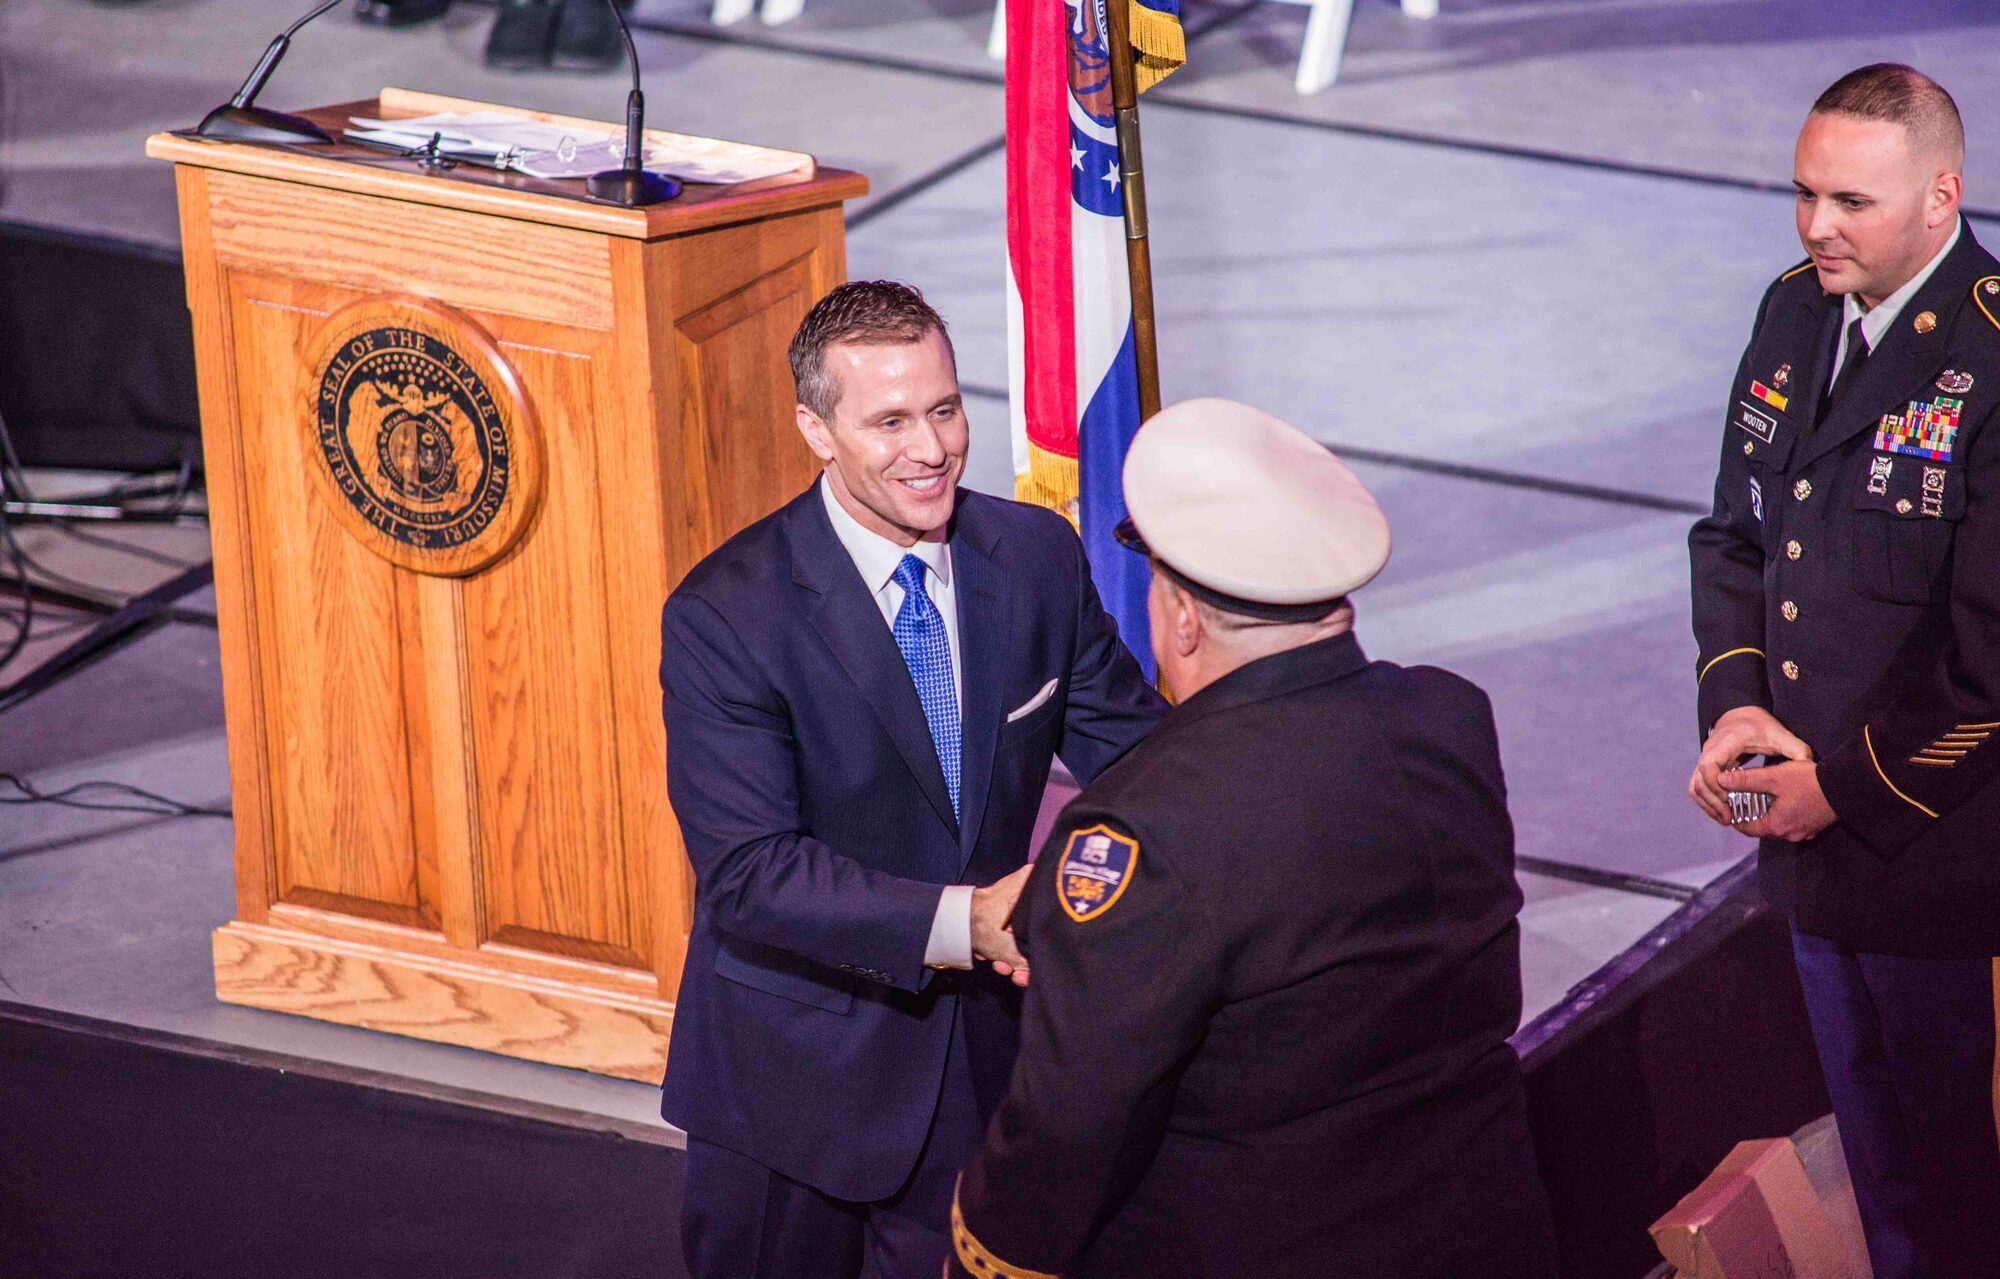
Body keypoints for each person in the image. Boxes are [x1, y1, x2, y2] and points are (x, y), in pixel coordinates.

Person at [948, 399, 1558, 1279]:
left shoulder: (1144, 825)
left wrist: (984, 1250)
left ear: (1183, 618)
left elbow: (1073, 1120)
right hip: (1483, 1230)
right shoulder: (1449, 716)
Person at [659, 280, 1165, 1278]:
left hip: (978, 1072)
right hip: (788, 1087)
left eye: (943, 409)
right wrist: (969, 920)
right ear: (815, 430)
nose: (929, 449)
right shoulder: (726, 615)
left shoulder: (1034, 556)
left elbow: (1144, 761)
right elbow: (750, 874)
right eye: (888, 421)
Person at [1687, 64, 2000, 1279]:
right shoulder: (1792, 311)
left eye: (1850, 202)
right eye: (1802, 193)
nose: (1816, 226)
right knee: (1879, 1176)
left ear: (1939, 197)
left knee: (1964, 1180)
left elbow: (1990, 659)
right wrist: (1733, 705)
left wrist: (1841, 790)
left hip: (1943, 862)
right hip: (1808, 855)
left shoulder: (1989, 359)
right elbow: (1735, 536)